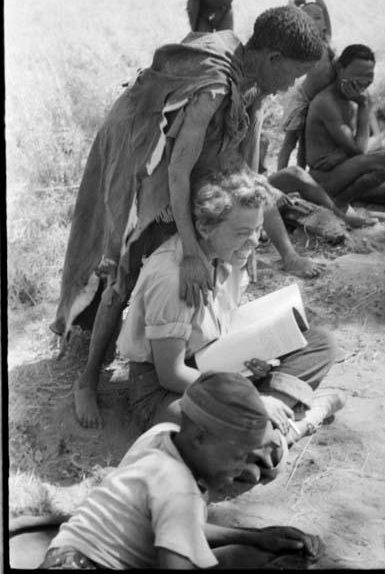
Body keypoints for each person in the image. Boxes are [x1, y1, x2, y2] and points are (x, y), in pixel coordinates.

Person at [52, 5, 327, 429]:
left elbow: (245, 153)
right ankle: (87, 381)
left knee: (207, 249)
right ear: (272, 59)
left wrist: (250, 219)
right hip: (149, 163)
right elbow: (177, 170)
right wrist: (191, 254)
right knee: (125, 268)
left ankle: (191, 350)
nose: (290, 85)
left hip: (198, 162)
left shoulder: (252, 77)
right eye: (291, 75)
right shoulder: (214, 86)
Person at [117, 170, 344, 473]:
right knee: (258, 454)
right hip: (164, 390)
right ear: (204, 227)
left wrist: (250, 364)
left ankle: (271, 421)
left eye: (258, 229)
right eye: (241, 232)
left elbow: (221, 329)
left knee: (321, 343)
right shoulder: (173, 278)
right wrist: (253, 398)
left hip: (211, 361)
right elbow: (170, 374)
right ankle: (304, 415)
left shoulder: (231, 256)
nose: (254, 240)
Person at [38, 372, 323, 569]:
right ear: (200, 437)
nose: (244, 470)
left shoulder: (161, 436)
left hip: (64, 554)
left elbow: (179, 528)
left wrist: (257, 537)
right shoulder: (179, 489)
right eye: (237, 455)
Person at [305, 44, 385, 209]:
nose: (363, 81)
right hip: (325, 179)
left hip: (350, 172)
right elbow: (359, 151)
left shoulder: (361, 95)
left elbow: (374, 141)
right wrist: (364, 107)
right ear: (340, 69)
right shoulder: (327, 102)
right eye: (357, 74)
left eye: (369, 76)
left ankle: (349, 199)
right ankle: (339, 203)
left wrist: (343, 154)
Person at [277, 0, 336, 170]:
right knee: (290, 141)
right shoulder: (304, 43)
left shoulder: (327, 41)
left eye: (319, 18)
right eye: (311, 18)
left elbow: (324, 9)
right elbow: (288, 19)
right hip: (302, 99)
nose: (318, 21)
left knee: (306, 143)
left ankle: (302, 176)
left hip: (319, 101)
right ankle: (280, 177)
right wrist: (292, 3)